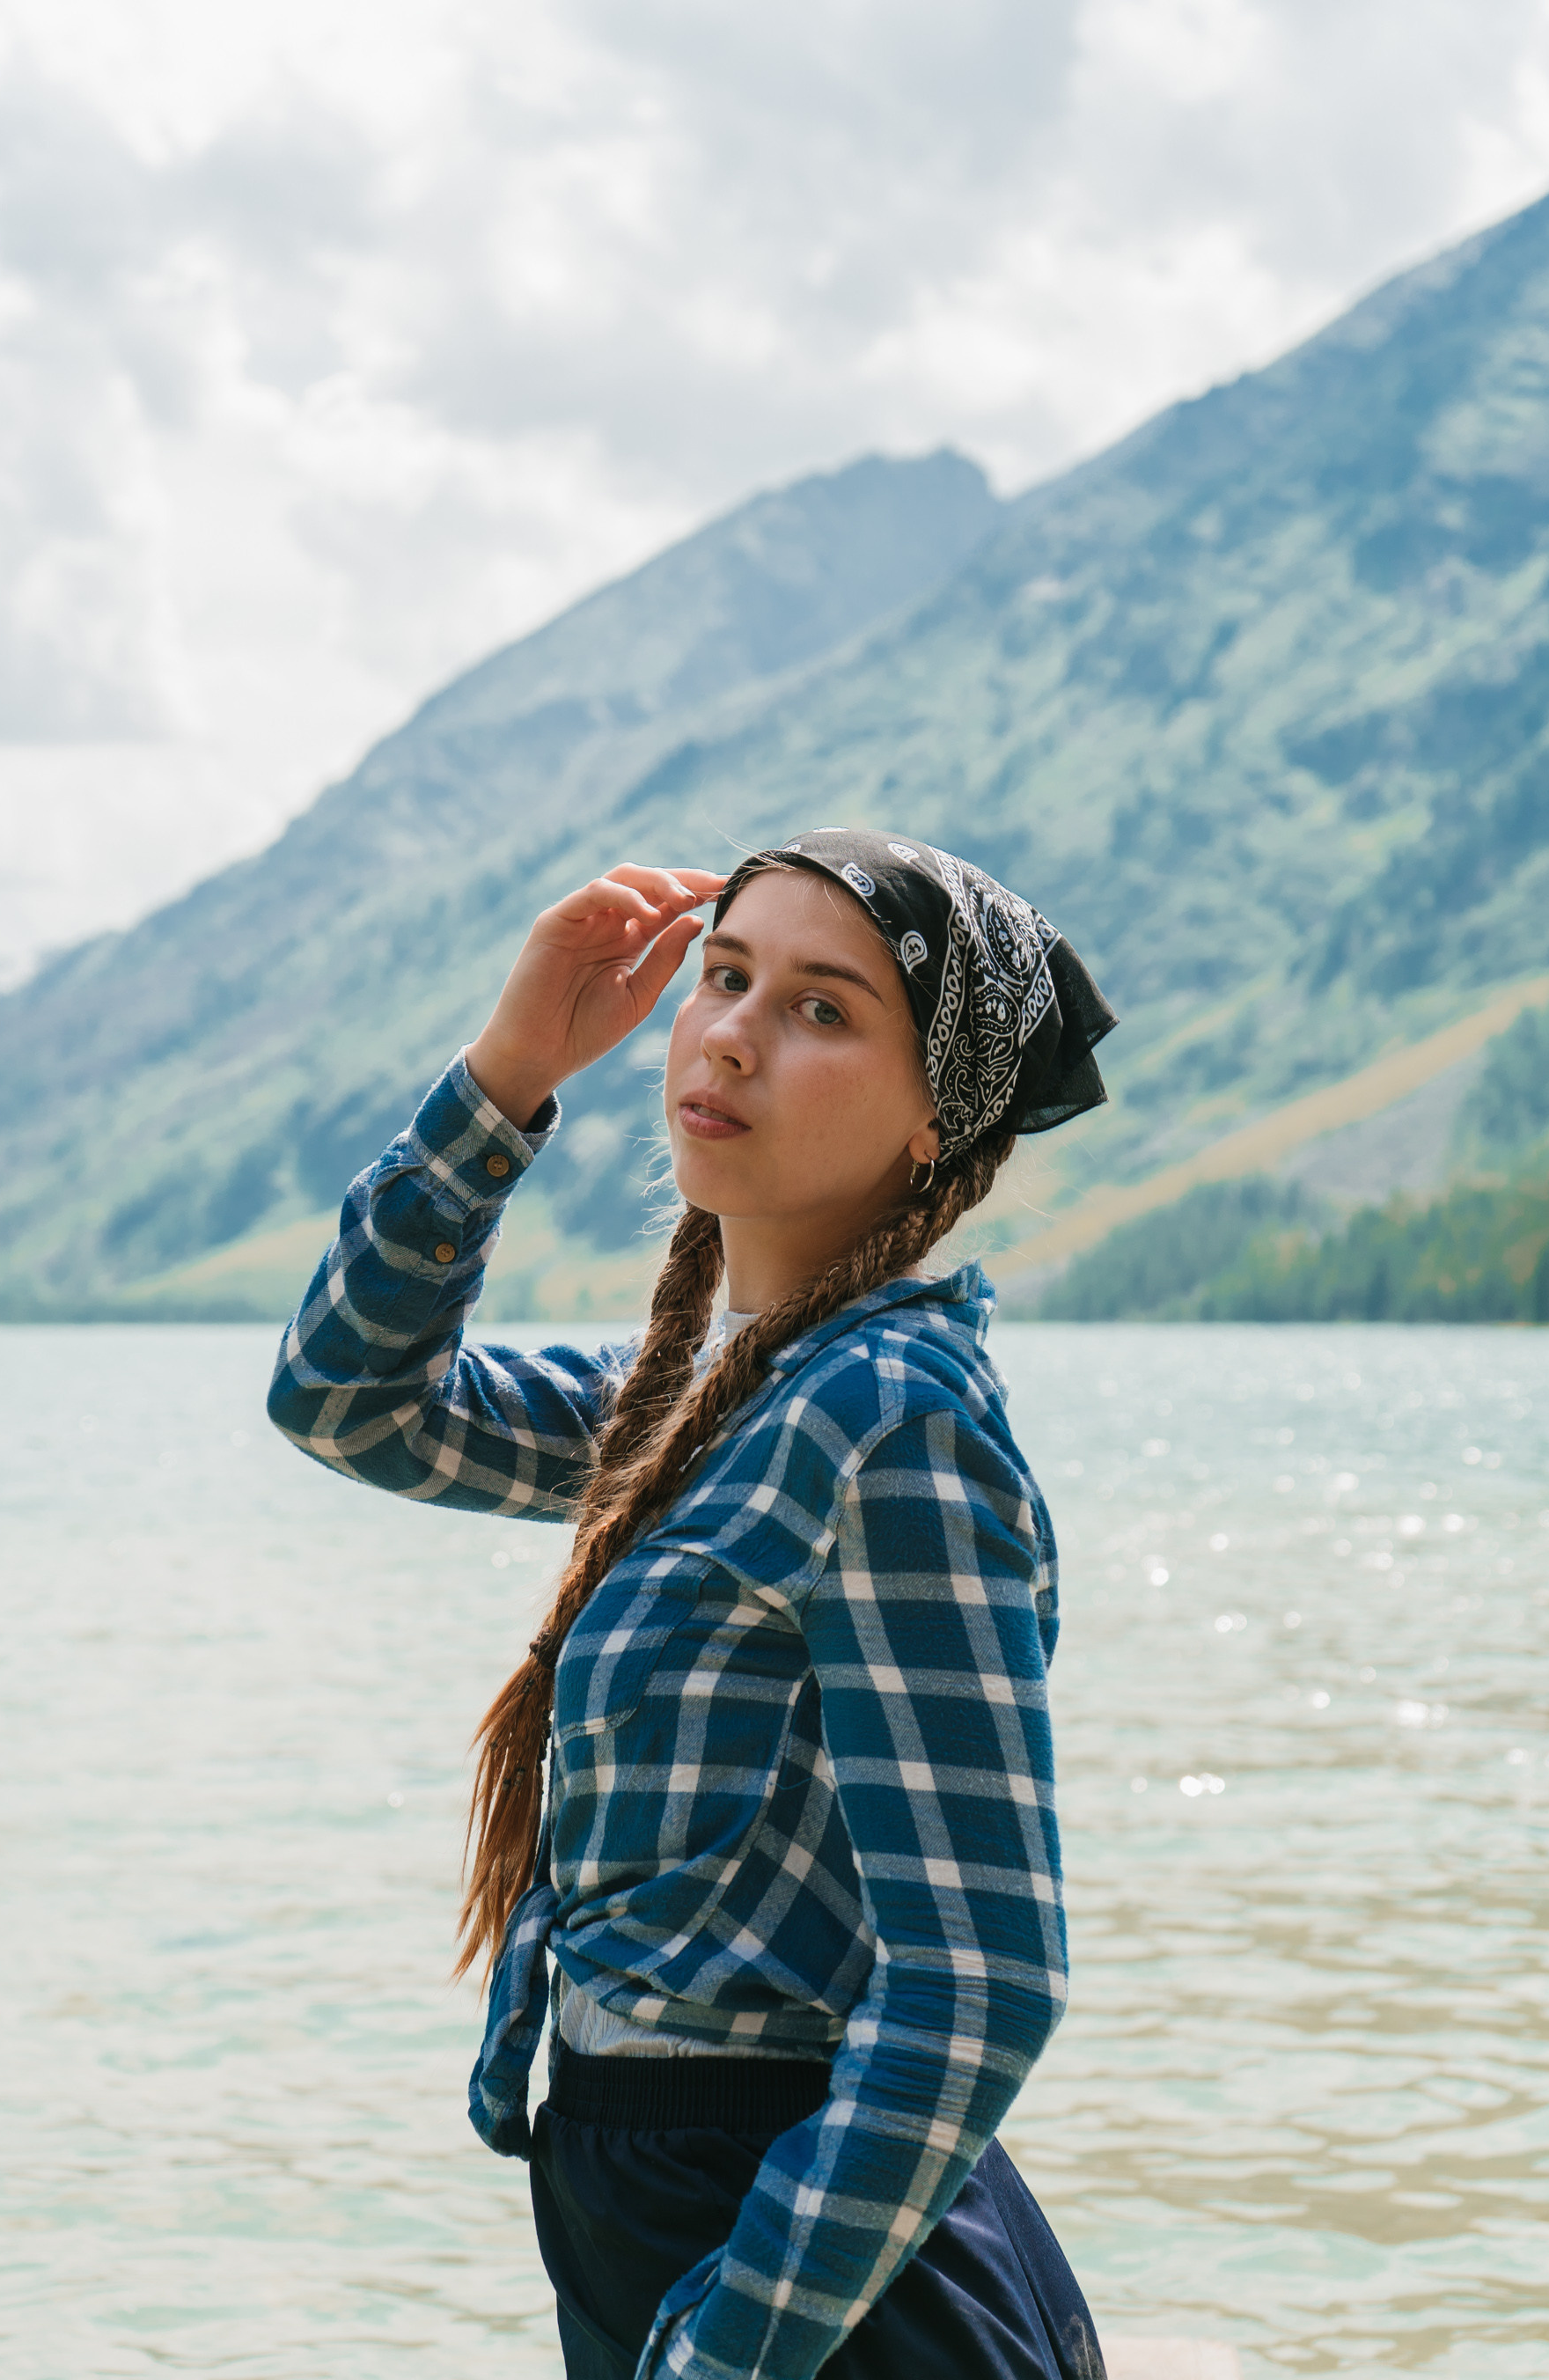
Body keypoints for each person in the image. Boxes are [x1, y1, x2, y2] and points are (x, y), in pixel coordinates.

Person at [268, 827, 1118, 2380]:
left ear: (940, 1120)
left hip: (798, 2262)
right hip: (653, 2204)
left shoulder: (891, 1424)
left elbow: (982, 1980)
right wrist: (513, 1069)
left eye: (822, 1008)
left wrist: (729, 2349)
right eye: (725, 975)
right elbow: (348, 1399)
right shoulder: (702, 1405)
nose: (730, 1028)